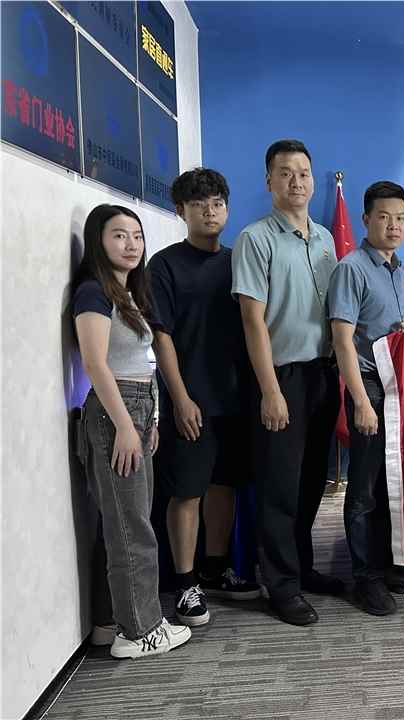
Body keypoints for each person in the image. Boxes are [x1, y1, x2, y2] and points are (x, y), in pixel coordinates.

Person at [232, 139, 343, 626]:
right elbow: (252, 321)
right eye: (285, 173)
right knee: (279, 487)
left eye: (303, 173)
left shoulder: (325, 239)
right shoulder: (255, 239)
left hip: (322, 374)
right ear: (269, 181)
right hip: (280, 377)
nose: (296, 181)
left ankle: (301, 568)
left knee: (313, 480)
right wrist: (271, 391)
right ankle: (280, 585)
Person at [73, 204, 191, 658]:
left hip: (139, 407)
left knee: (126, 522)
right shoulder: (93, 292)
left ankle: (112, 622)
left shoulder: (129, 293)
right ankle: (140, 631)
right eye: (119, 235)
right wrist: (124, 424)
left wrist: (152, 418)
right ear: (98, 241)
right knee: (132, 529)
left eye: (137, 236)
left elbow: (145, 360)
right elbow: (94, 363)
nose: (131, 245)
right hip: (115, 412)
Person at [149, 169, 261, 628]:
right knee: (187, 491)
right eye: (198, 205)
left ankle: (216, 569)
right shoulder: (164, 265)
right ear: (181, 211)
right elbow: (161, 336)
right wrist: (179, 398)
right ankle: (185, 583)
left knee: (224, 485)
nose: (209, 212)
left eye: (216, 203)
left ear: (227, 208)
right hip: (190, 401)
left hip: (235, 398)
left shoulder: (239, 262)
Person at [328, 181, 404, 616]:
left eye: (400, 218)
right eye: (384, 217)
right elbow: (342, 340)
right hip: (368, 386)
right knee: (364, 487)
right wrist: (361, 403)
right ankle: (364, 577)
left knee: (392, 481)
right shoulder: (352, 268)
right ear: (366, 219)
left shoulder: (399, 270)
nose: (393, 225)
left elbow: (396, 326)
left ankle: (388, 564)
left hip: (397, 387)